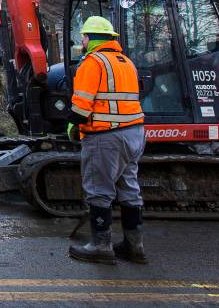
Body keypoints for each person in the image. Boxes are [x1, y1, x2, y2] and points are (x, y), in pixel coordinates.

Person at [66, 16, 147, 265]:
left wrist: (72, 127)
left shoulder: (93, 62)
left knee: (99, 191)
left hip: (105, 135)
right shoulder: (126, 62)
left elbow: (81, 106)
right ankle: (134, 246)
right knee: (129, 190)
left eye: (84, 37)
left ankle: (101, 246)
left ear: (91, 38)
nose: (82, 41)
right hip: (134, 133)